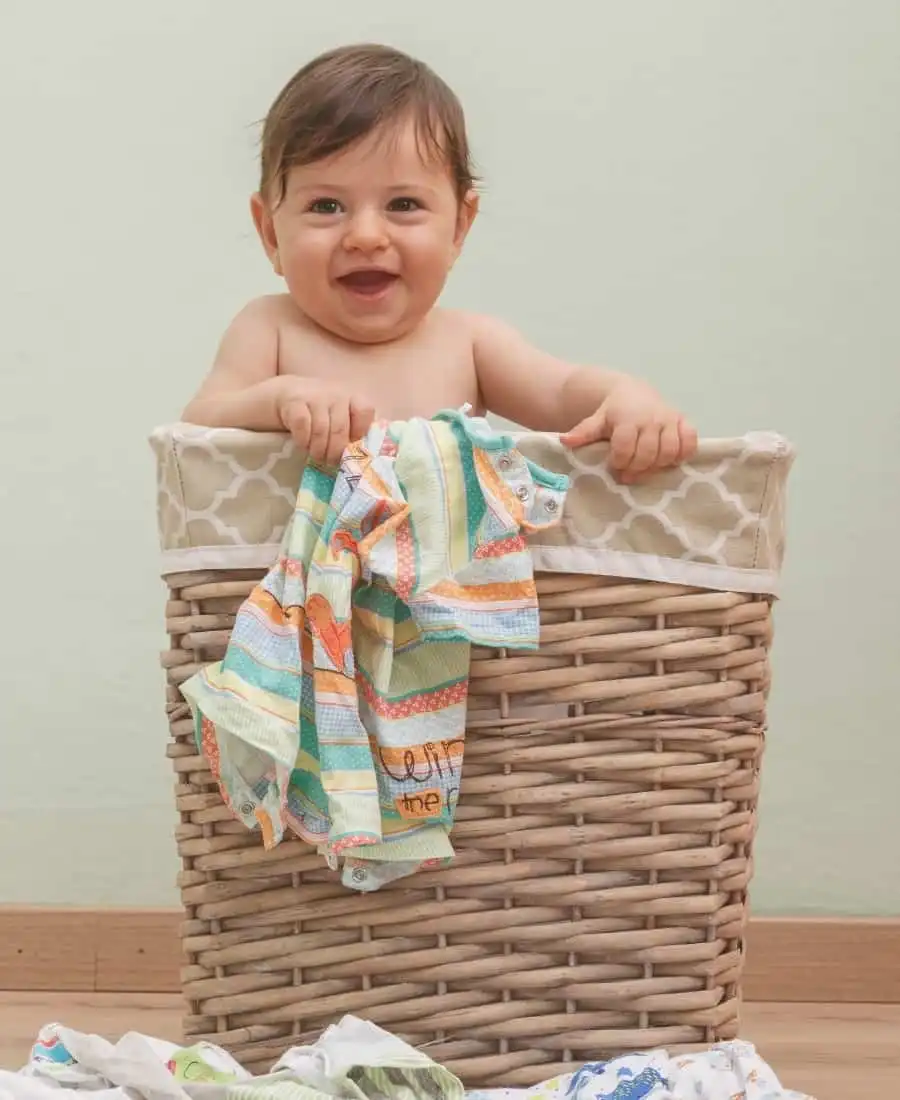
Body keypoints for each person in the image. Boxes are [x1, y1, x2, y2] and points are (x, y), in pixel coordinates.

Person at [183, 43, 697, 482]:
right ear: (270, 232)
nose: (364, 236)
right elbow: (195, 432)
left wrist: (628, 397)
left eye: (403, 205)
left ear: (458, 227)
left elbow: (563, 391)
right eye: (326, 206)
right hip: (302, 594)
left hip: (453, 596)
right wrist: (279, 399)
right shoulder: (270, 329)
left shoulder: (469, 344)